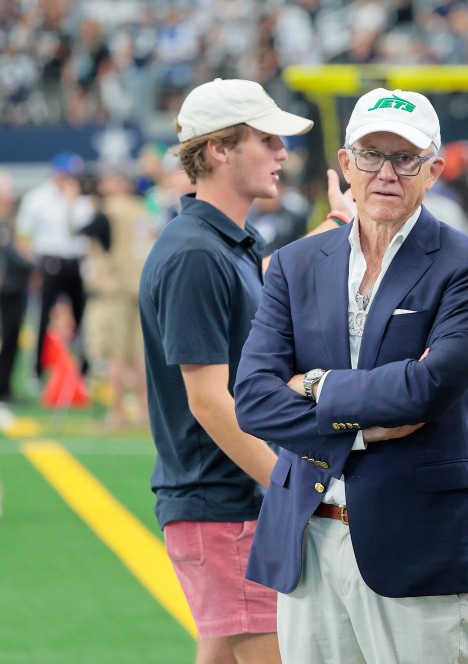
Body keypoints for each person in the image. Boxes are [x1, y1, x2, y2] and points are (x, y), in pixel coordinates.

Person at [234, 87, 468, 663]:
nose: (386, 172)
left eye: (405, 158)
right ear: (345, 165)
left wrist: (314, 385)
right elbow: (254, 400)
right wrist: (359, 428)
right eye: (371, 154)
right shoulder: (294, 263)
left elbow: (428, 389)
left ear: (433, 170)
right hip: (307, 536)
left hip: (419, 540)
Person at [139, 78, 317, 664]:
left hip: (225, 502)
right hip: (225, 504)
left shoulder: (221, 244)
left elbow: (263, 289)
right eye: (266, 139)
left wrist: (335, 233)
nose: (282, 153)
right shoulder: (196, 252)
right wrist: (292, 489)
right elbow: (210, 400)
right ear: (219, 149)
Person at [80, 164, 155, 428]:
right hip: (140, 289)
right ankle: (146, 413)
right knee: (140, 357)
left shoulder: (108, 211)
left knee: (115, 355)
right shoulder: (144, 209)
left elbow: (83, 231)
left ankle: (117, 413)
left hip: (114, 290)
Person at [16, 151, 93, 381]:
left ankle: (83, 370)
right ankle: (37, 370)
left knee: (81, 317)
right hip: (49, 262)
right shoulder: (36, 198)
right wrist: (33, 266)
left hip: (75, 263)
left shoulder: (81, 202)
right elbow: (24, 237)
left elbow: (84, 238)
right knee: (42, 317)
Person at [0, 171, 32, 403]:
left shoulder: (10, 221)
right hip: (7, 287)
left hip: (14, 288)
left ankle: (4, 386)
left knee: (11, 339)